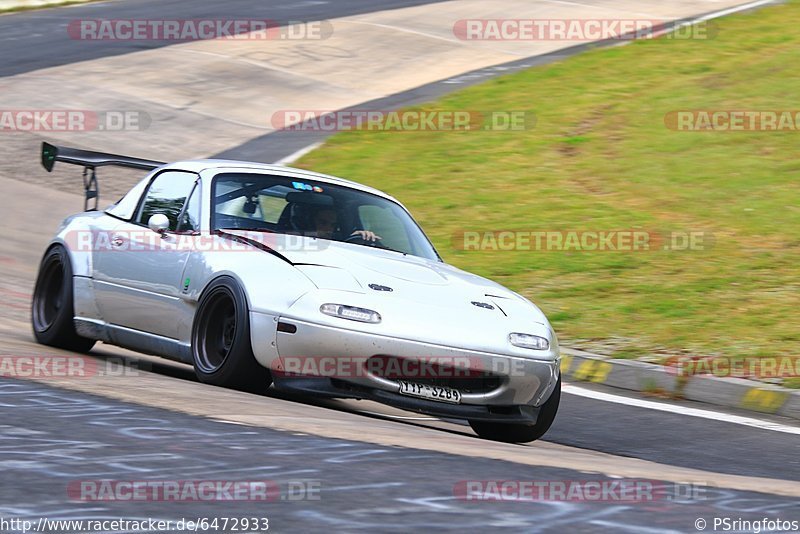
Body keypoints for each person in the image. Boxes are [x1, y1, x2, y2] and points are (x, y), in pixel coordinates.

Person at [311, 207, 380, 242]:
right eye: (323, 223)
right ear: (312, 222)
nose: (328, 228)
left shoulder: (338, 241)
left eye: (333, 225)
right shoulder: (303, 241)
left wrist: (362, 236)